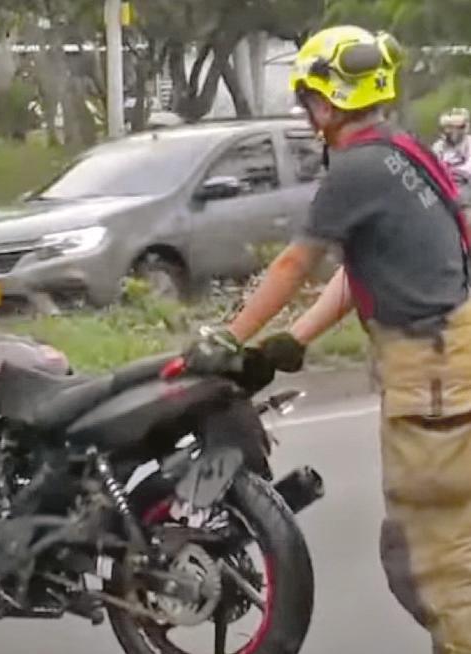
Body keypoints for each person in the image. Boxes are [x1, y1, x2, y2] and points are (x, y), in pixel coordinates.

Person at [185, 26, 471, 652]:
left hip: (431, 371)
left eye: (311, 95)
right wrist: (293, 340)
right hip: (449, 359)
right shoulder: (401, 152)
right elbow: (362, 267)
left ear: (333, 98)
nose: (307, 110)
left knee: (438, 561)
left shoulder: (358, 170)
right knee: (419, 552)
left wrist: (226, 338)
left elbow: (294, 265)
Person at [434, 107, 471, 179]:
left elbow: (467, 171)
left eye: (460, 127)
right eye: (449, 127)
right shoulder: (439, 146)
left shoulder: (469, 143)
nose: (453, 130)